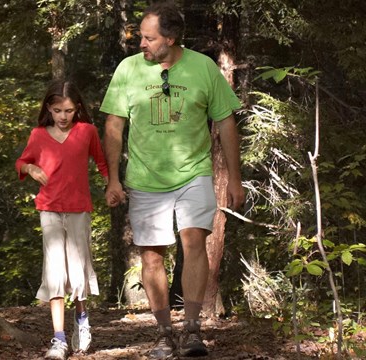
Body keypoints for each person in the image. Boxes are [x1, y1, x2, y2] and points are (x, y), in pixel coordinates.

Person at [100, 1, 245, 359]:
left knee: (194, 239)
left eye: (149, 39)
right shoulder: (128, 69)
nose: (142, 44)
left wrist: (236, 180)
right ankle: (164, 333)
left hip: (193, 172)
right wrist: (113, 179)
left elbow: (225, 122)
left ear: (171, 37)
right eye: (141, 38)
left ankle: (192, 329)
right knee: (151, 257)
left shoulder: (203, 68)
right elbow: (114, 126)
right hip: (145, 178)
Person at [15, 80, 109, 360]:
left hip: (79, 208)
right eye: (57, 110)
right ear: (49, 109)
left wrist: (110, 185)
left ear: (77, 109)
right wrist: (30, 168)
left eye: (68, 110)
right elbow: (21, 162)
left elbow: (101, 162)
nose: (63, 116)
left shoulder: (87, 132)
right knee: (54, 271)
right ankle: (58, 338)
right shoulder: (38, 135)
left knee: (78, 268)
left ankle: (81, 318)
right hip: (49, 209)